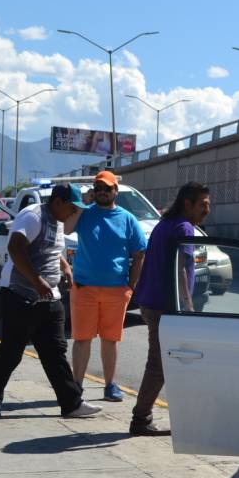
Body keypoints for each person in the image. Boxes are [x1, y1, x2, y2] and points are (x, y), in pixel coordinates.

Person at [0, 184, 101, 419]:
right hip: (19, 294)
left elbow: (53, 251)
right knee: (11, 351)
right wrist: (36, 281)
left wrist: (65, 268)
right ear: (58, 202)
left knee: (55, 352)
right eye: (72, 208)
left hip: (48, 297)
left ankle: (72, 403)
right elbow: (15, 247)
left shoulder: (59, 221)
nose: (74, 213)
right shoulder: (33, 216)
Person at [129, 182, 211, 436]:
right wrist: (187, 306)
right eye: (203, 204)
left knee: (173, 361)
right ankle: (141, 419)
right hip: (165, 306)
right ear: (187, 204)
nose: (207, 210)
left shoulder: (165, 224)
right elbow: (181, 271)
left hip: (151, 302)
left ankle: (184, 414)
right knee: (159, 364)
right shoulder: (183, 227)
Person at [62, 170, 147, 402]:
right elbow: (67, 229)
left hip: (116, 290)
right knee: (82, 339)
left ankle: (110, 385)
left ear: (115, 191)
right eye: (98, 188)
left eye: (106, 188)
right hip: (84, 287)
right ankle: (76, 386)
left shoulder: (127, 218)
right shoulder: (85, 214)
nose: (102, 192)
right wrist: (81, 203)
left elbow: (139, 253)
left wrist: (130, 286)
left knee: (110, 340)